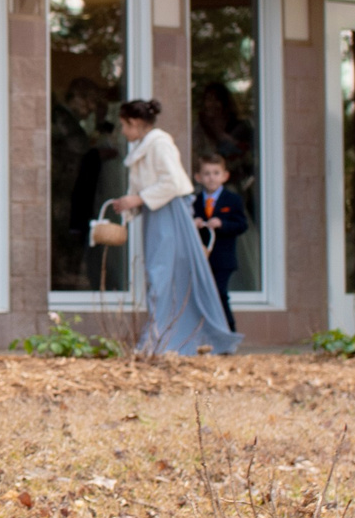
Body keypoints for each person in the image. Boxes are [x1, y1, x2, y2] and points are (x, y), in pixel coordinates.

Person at [107, 99, 241, 356]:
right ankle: (161, 336)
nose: (123, 131)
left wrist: (139, 199)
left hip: (169, 214)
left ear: (135, 123)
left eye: (124, 125)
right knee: (159, 275)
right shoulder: (144, 146)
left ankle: (167, 338)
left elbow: (172, 181)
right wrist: (131, 203)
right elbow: (145, 185)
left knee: (164, 275)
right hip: (156, 214)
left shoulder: (160, 144)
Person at [191, 155, 251, 332]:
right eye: (207, 173)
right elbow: (184, 227)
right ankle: (205, 331)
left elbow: (242, 225)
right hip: (201, 256)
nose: (211, 177)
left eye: (216, 173)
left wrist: (222, 224)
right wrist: (193, 224)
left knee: (218, 292)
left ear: (225, 176)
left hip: (223, 258)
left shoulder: (232, 200)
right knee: (201, 294)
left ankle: (228, 329)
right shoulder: (194, 201)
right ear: (198, 177)